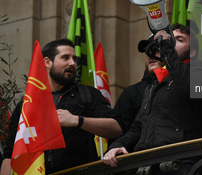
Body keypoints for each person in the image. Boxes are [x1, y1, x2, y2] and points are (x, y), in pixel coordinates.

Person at [103, 23, 202, 168]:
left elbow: (188, 87)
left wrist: (167, 47)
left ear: (192, 52)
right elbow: (138, 126)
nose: (172, 43)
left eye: (179, 40)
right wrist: (117, 145)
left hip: (182, 164)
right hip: (150, 164)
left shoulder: (201, 73)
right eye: (170, 39)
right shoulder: (155, 84)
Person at [1, 39, 122, 174]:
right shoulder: (27, 104)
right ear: (47, 62)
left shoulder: (88, 94)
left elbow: (116, 128)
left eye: (74, 59)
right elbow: (10, 152)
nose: (72, 63)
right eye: (65, 57)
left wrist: (78, 120)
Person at [112, 35, 164, 135]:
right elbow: (118, 132)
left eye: (157, 49)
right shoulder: (131, 92)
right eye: (148, 50)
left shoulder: (179, 85)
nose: (151, 55)